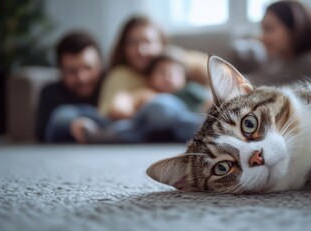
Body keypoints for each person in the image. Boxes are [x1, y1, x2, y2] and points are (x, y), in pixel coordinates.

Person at [71, 15, 209, 143]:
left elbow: (218, 72)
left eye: (148, 42)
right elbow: (114, 111)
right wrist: (137, 102)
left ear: (162, 44)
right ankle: (101, 136)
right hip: (141, 126)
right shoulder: (120, 74)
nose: (141, 50)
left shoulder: (175, 62)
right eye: (133, 43)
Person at [74, 54, 210, 143]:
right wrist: (130, 105)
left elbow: (209, 103)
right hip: (146, 131)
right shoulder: (146, 92)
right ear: (150, 78)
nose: (168, 76)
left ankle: (209, 132)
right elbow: (124, 104)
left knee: (191, 123)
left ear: (185, 78)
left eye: (175, 73)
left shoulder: (190, 90)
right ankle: (101, 136)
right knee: (126, 128)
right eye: (162, 72)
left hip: (180, 127)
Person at [246, 0, 311, 86]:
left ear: (293, 29)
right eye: (263, 30)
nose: (261, 37)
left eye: (269, 29)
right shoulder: (275, 62)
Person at [35, 31, 105, 143]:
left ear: (100, 65)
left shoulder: (111, 84)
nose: (82, 78)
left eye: (88, 68)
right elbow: (42, 134)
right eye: (72, 71)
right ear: (61, 72)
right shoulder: (51, 92)